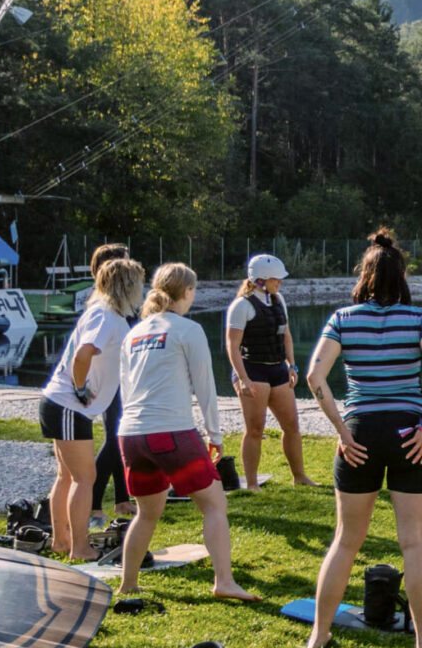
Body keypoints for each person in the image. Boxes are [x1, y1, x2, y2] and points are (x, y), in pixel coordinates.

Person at [302, 229, 422, 648]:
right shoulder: (420, 317)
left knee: (345, 540)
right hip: (410, 434)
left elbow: (315, 378)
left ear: (364, 276)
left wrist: (342, 430)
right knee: (414, 542)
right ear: (401, 275)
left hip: (361, 434)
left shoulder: (342, 319)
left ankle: (319, 634)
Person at [114, 262, 257, 601]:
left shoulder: (133, 333)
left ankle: (128, 583)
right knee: (214, 505)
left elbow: (125, 389)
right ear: (188, 292)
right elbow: (205, 387)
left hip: (131, 434)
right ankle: (224, 581)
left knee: (147, 513)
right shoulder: (188, 330)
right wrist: (215, 436)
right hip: (171, 431)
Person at [35, 256, 144, 560]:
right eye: (138, 284)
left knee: (67, 477)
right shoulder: (107, 316)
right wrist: (81, 389)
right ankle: (80, 548)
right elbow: (83, 354)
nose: (141, 290)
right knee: (85, 478)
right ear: (126, 286)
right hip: (69, 405)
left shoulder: (103, 312)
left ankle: (61, 541)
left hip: (60, 404)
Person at [223, 253, 314, 488]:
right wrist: (243, 379)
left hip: (277, 369)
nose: (280, 282)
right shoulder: (241, 306)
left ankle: (300, 476)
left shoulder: (278, 300)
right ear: (261, 280)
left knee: (291, 425)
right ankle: (252, 484)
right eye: (276, 279)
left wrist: (291, 365)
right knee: (255, 429)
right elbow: (232, 346)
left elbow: (286, 335)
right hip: (252, 370)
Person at [85, 243, 136, 521]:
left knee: (119, 436)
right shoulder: (108, 306)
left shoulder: (116, 301)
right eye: (126, 261)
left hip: (121, 378)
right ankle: (93, 503)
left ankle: (122, 499)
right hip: (113, 380)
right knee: (115, 438)